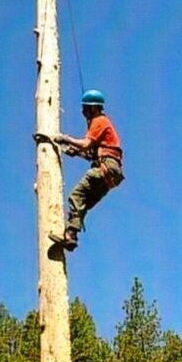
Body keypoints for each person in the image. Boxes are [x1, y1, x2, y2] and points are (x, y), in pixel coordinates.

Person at [47, 89, 124, 251]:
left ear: (94, 108)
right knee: (83, 204)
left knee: (76, 195)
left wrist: (65, 138)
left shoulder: (99, 121)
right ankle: (71, 236)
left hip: (106, 167)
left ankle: (70, 234)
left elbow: (85, 144)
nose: (83, 112)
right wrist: (75, 152)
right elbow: (90, 153)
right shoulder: (102, 124)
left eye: (85, 108)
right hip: (112, 173)